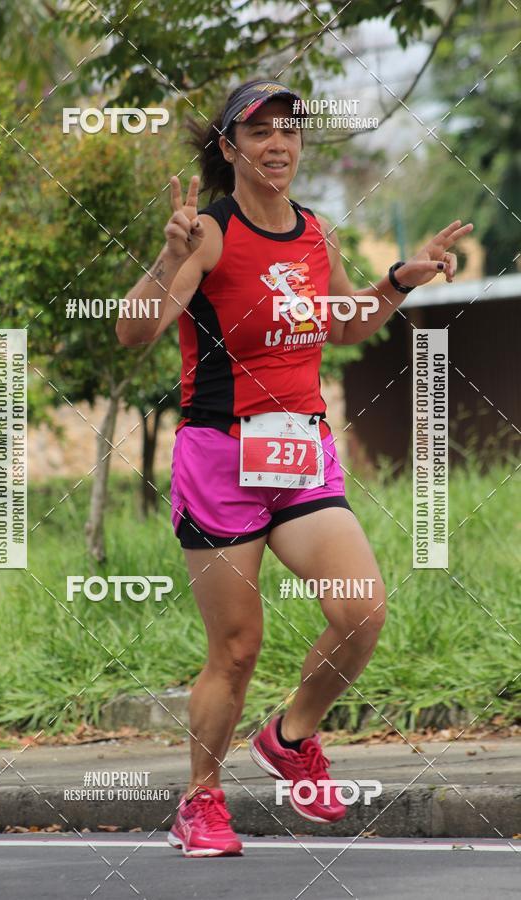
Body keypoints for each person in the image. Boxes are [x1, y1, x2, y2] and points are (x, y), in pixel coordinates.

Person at [117, 79, 472, 858]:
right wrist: (166, 259)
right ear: (229, 147)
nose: (278, 142)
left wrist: (398, 283)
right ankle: (200, 800)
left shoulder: (315, 233)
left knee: (362, 610)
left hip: (303, 454)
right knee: (238, 647)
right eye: (260, 131)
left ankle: (289, 736)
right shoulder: (207, 232)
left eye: (289, 130)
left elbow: (345, 327)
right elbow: (134, 333)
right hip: (220, 459)